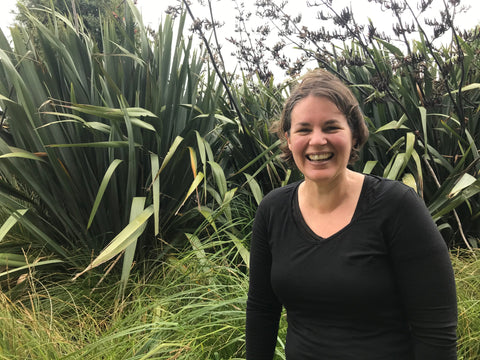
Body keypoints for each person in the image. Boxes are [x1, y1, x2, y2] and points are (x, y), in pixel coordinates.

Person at [245, 69, 457, 359]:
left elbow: (436, 331)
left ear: (354, 133)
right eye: (304, 129)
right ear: (288, 138)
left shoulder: (397, 207)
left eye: (331, 127)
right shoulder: (273, 210)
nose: (317, 141)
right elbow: (262, 310)